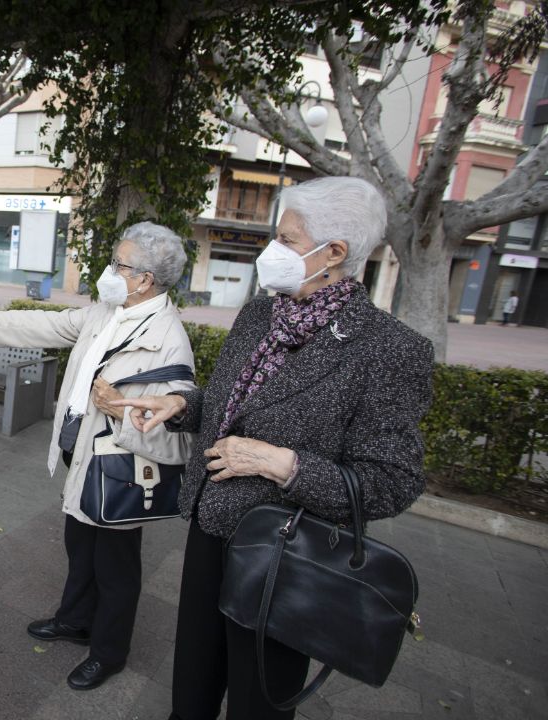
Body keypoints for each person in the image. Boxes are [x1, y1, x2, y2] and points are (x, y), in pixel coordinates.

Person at [111, 177, 434, 720]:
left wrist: (278, 463)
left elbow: (393, 481)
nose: (273, 250)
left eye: (286, 238)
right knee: (193, 674)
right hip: (211, 526)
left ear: (334, 253)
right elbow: (230, 401)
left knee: (259, 695)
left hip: (286, 551)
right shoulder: (261, 313)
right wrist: (183, 405)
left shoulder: (391, 349)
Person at [0, 221, 195, 691]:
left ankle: (108, 654)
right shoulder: (108, 309)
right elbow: (50, 323)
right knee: (80, 547)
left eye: (119, 263)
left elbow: (178, 438)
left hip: (120, 472)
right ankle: (74, 620)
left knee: (116, 568)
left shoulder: (168, 341)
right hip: (82, 453)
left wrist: (121, 416)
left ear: (145, 278)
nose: (110, 269)